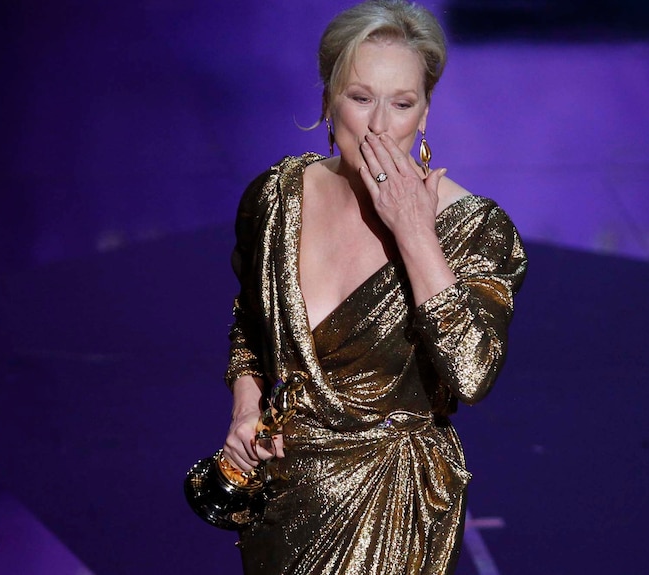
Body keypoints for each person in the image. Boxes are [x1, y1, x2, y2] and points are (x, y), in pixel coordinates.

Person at [220, 1, 527, 573]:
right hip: (283, 500)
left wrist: (414, 234)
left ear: (426, 113)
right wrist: (245, 408)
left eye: (402, 104)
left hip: (392, 506)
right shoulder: (275, 199)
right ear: (328, 101)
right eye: (361, 98)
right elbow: (250, 322)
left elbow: (473, 373)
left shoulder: (475, 230)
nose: (380, 126)